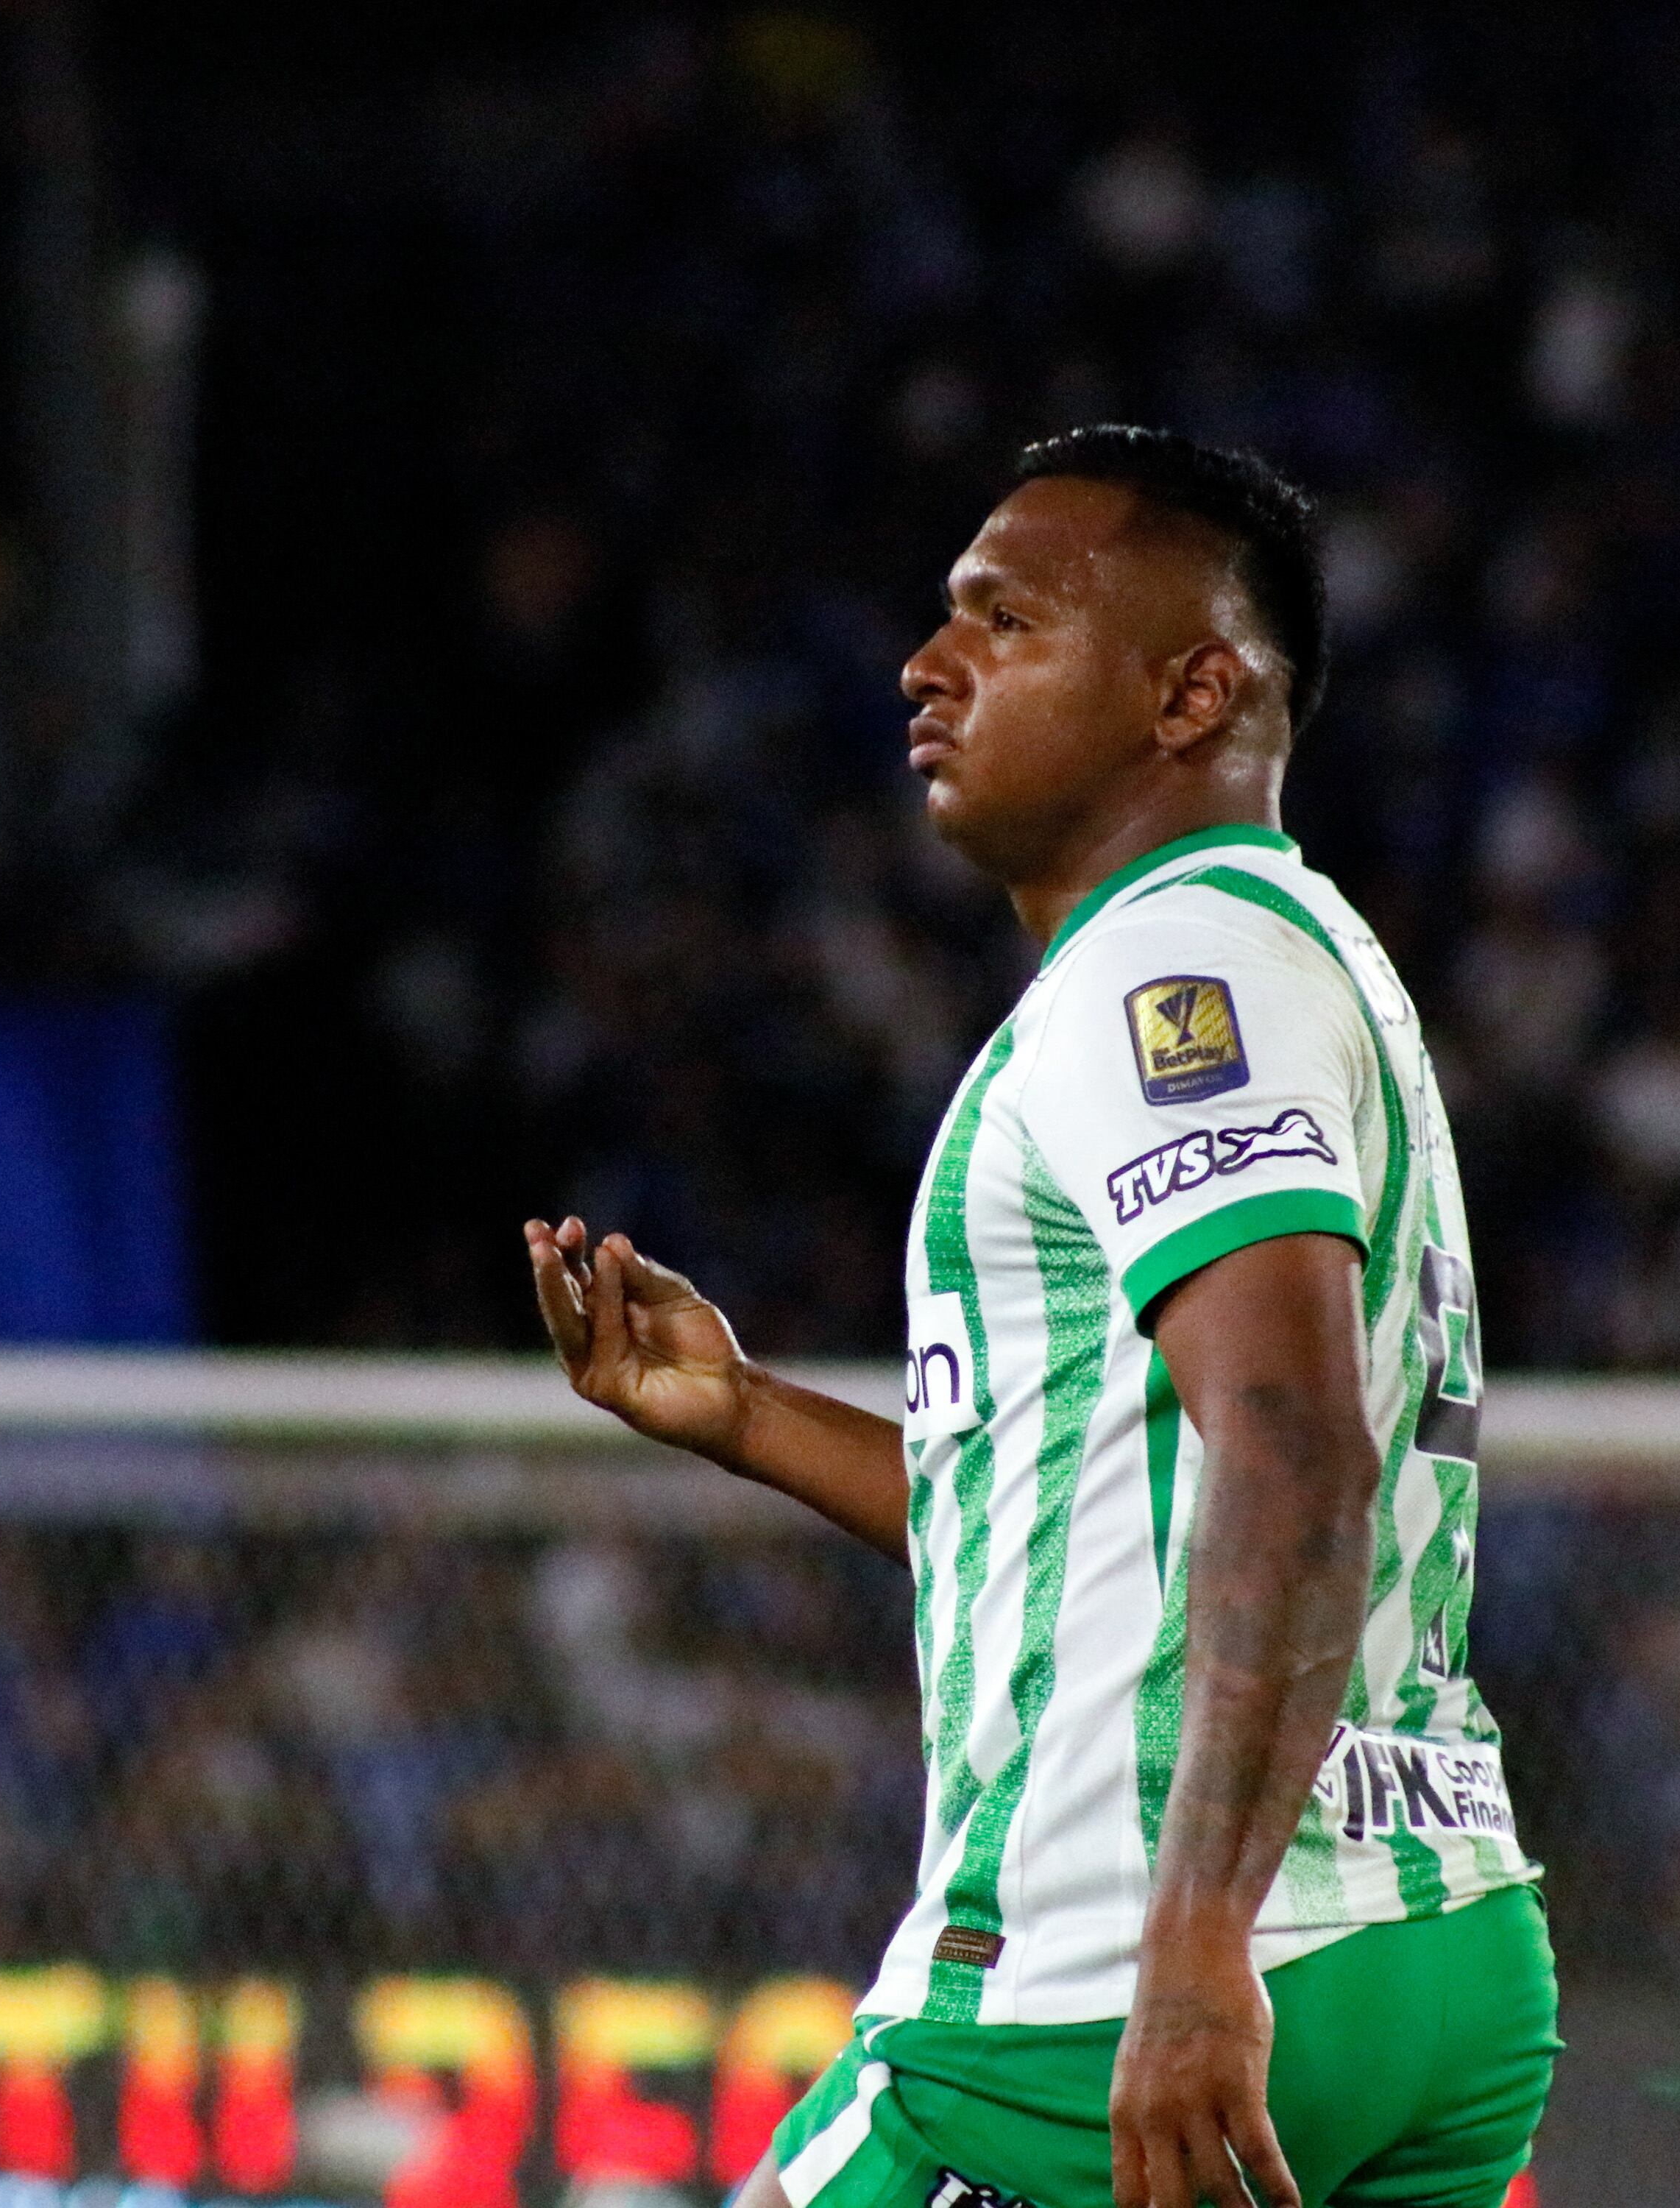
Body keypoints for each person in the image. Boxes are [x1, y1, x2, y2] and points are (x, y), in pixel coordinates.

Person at [525, 427, 1554, 2208]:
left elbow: (1296, 1444)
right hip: (1434, 1933)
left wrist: (1195, 1942)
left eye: (1006, 622)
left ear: (1190, 696)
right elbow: (1117, 1532)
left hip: (1122, 1972)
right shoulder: (1305, 962)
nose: (931, 666)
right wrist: (753, 1414)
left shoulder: (1172, 976)